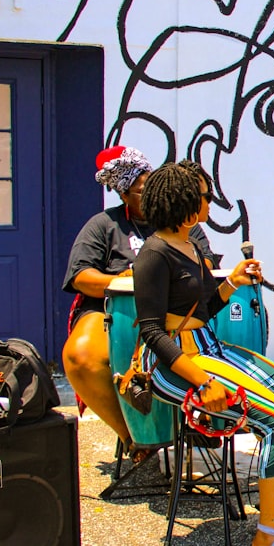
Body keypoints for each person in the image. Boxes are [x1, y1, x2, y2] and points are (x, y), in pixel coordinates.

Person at [135, 162, 274, 546]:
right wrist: (202, 381)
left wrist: (232, 281)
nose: (209, 201)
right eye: (203, 196)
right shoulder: (153, 254)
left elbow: (203, 308)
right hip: (175, 362)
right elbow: (152, 331)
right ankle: (268, 535)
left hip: (207, 345)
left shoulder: (191, 244)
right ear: (184, 204)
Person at [61, 146, 215, 463]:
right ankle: (133, 435)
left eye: (151, 187)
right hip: (113, 309)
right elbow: (81, 276)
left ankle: (201, 421)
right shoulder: (104, 225)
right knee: (80, 357)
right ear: (123, 193)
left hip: (174, 314)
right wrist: (125, 280)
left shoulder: (185, 220)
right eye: (140, 190)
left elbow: (208, 264)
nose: (147, 195)